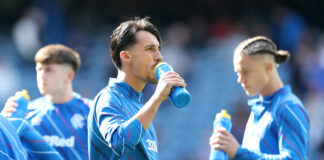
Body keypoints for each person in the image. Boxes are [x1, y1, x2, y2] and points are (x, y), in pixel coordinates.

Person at [87, 17, 186, 159]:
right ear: (126, 56)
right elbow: (119, 143)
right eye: (150, 49)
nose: (159, 57)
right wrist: (157, 99)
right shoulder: (109, 98)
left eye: (158, 49)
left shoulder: (141, 107)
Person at [209, 36, 309, 159]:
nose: (240, 80)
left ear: (268, 67)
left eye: (245, 72)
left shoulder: (288, 106)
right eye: (238, 73)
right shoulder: (257, 111)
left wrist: (238, 152)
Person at [1, 44, 91, 160]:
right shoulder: (26, 113)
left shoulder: (92, 112)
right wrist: (4, 124)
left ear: (69, 76)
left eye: (49, 70)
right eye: (39, 69)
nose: (42, 76)